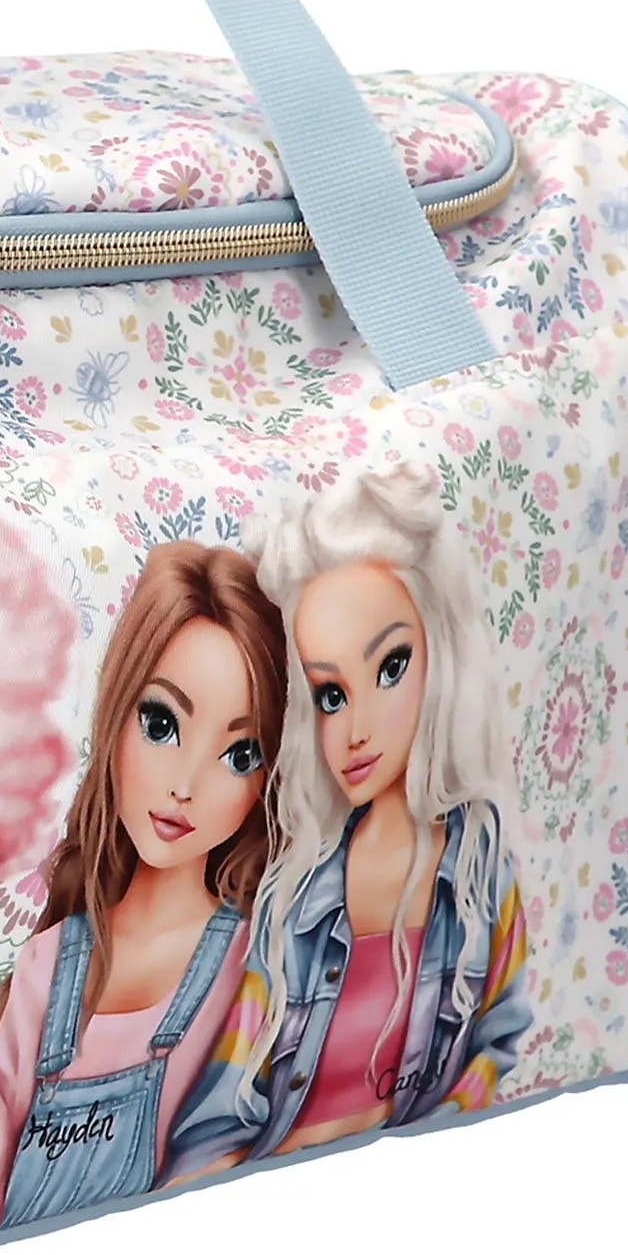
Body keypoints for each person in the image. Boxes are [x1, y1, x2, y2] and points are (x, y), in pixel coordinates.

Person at [0, 542, 285, 1250]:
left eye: (238, 753)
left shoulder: (257, 963)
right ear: (116, 716)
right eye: (161, 724)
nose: (185, 783)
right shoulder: (47, 967)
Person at [163, 465, 532, 1183]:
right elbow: (221, 1109)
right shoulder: (295, 895)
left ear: (441, 654)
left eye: (389, 668)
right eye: (329, 694)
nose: (355, 728)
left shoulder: (480, 863)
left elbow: (499, 1042)